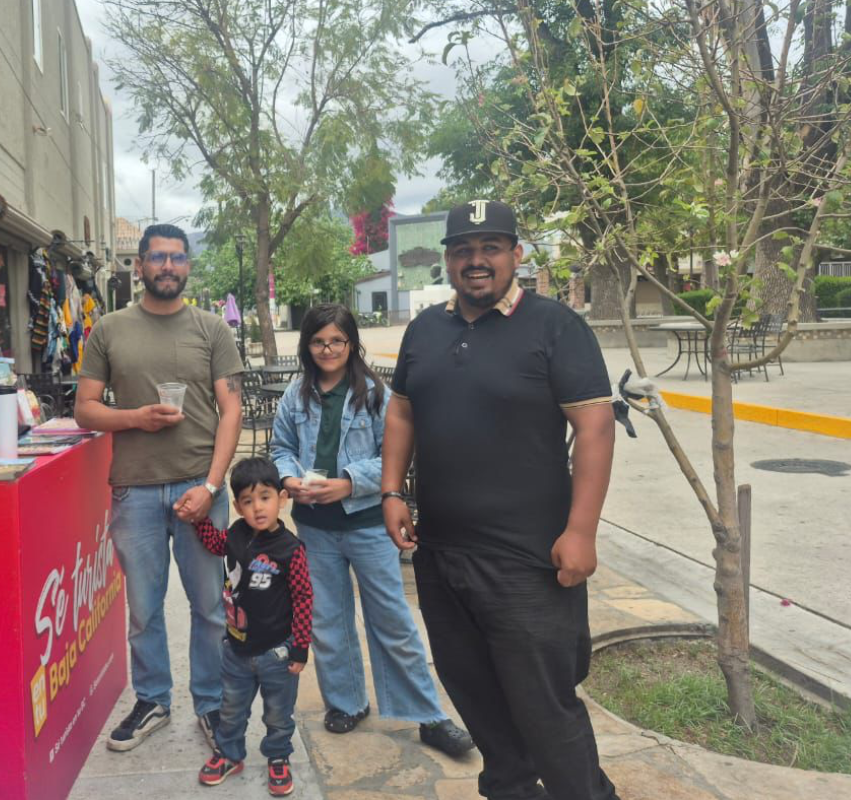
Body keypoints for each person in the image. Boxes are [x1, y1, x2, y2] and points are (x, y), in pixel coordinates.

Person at [381, 200, 620, 800]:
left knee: (546, 710)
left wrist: (582, 532)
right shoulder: (426, 329)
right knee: (476, 697)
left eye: (490, 247)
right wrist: (391, 490)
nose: (476, 261)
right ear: (448, 260)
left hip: (527, 562)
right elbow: (402, 409)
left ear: (516, 253)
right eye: (463, 249)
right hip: (441, 555)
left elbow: (595, 427)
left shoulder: (555, 327)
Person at [270, 303, 474, 756]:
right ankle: (346, 702)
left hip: (366, 524)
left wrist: (348, 483)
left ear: (351, 343)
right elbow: (281, 446)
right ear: (307, 346)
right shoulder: (296, 394)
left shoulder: (376, 394)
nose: (328, 349)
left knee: (392, 619)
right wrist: (287, 479)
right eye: (319, 341)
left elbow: (394, 457)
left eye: (337, 341)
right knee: (327, 619)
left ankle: (428, 715)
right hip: (315, 528)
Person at [75, 223, 244, 753]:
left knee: (210, 607)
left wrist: (213, 486)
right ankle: (152, 699)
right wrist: (135, 418)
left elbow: (232, 409)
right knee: (144, 609)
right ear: (139, 265)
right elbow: (84, 409)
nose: (167, 266)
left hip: (200, 489)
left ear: (188, 265)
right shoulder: (108, 329)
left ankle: (211, 704)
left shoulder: (212, 329)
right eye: (156, 258)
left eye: (176, 258)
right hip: (136, 491)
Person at [191, 457, 312, 797]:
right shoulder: (235, 534)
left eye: (265, 497)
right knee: (231, 709)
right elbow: (216, 545)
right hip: (236, 649)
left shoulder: (291, 550)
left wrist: (300, 647)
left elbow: (303, 598)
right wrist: (198, 520)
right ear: (237, 506)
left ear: (281, 499)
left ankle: (278, 757)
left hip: (278, 651)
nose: (258, 507)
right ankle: (230, 754)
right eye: (248, 501)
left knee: (278, 714)